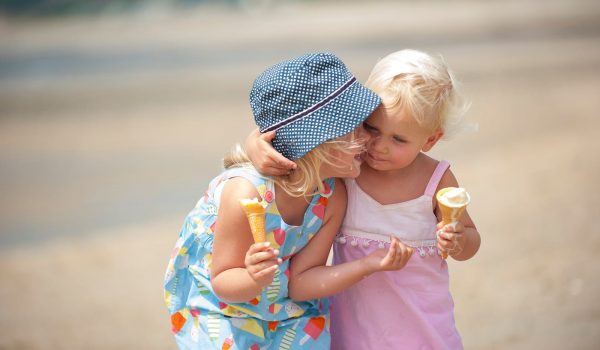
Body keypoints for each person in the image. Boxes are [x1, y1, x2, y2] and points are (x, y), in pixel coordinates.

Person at [163, 52, 414, 350]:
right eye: (356, 127)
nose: (369, 138)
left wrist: (369, 264)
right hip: (221, 308)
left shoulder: (332, 195)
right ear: (319, 143)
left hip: (284, 307)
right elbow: (223, 282)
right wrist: (253, 278)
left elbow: (301, 283)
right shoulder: (246, 193)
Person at [245, 49, 482, 349]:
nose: (378, 147)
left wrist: (459, 240)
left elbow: (470, 240)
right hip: (354, 329)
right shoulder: (347, 174)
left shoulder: (436, 181)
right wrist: (255, 142)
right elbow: (300, 130)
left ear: (430, 140)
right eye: (371, 128)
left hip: (424, 328)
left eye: (398, 139)